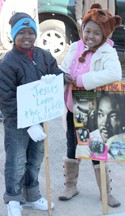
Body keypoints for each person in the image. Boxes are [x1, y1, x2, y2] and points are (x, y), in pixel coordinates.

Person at [0, 12, 72, 216]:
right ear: (13, 36)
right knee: (16, 161)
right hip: (17, 123)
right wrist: (27, 123)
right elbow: (5, 98)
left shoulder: (43, 55)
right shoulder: (8, 62)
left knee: (36, 158)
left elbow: (54, 71)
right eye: (21, 32)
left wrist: (62, 77)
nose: (27, 36)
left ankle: (32, 195)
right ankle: (14, 198)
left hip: (39, 118)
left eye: (31, 32)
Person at [58, 3, 122, 208]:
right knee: (71, 146)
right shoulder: (74, 47)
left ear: (104, 35)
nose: (91, 36)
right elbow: (65, 67)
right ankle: (70, 185)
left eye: (96, 33)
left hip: (94, 108)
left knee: (97, 148)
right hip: (72, 107)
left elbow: (114, 74)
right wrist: (63, 76)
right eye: (87, 31)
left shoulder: (107, 52)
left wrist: (83, 80)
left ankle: (106, 190)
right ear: (82, 30)